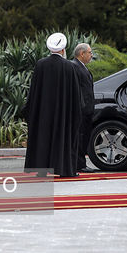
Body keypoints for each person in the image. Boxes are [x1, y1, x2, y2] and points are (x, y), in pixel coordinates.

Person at [24, 33, 82, 177]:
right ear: (63, 49)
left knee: (43, 137)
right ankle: (64, 170)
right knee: (63, 138)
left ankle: (42, 170)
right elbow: (75, 93)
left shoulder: (41, 64)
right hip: (63, 111)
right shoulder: (69, 66)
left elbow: (34, 90)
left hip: (43, 111)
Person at [72, 43, 96, 173]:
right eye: (90, 52)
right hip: (81, 110)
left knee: (84, 136)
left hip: (86, 109)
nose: (91, 55)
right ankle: (79, 164)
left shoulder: (82, 67)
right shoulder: (75, 67)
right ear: (82, 54)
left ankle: (80, 163)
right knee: (80, 138)